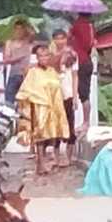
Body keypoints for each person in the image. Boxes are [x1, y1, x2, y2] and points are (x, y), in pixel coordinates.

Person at [16, 42, 70, 175]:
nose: (44, 59)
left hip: (53, 108)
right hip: (39, 108)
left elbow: (58, 89)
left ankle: (49, 161)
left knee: (52, 135)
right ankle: (40, 162)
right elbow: (25, 90)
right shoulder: (33, 72)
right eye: (41, 56)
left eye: (46, 56)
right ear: (37, 58)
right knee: (40, 136)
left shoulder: (52, 72)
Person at [51, 28, 79, 166]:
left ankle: (68, 157)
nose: (60, 41)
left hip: (67, 93)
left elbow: (75, 76)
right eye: (57, 38)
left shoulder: (71, 55)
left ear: (66, 39)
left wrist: (75, 96)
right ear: (54, 40)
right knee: (55, 126)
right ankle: (56, 157)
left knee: (70, 125)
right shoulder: (50, 56)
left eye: (62, 38)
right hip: (54, 95)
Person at [68, 12, 97, 132]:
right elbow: (90, 44)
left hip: (80, 62)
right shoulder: (90, 26)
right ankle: (86, 121)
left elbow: (69, 38)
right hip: (87, 61)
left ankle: (85, 122)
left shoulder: (78, 25)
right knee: (85, 93)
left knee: (81, 93)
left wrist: (71, 32)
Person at [3, 18, 35, 103]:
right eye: (17, 29)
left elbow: (32, 33)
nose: (19, 31)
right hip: (13, 74)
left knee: (26, 101)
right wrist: (18, 58)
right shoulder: (9, 42)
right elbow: (6, 60)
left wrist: (27, 24)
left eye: (21, 29)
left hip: (26, 75)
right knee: (9, 100)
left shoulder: (27, 41)